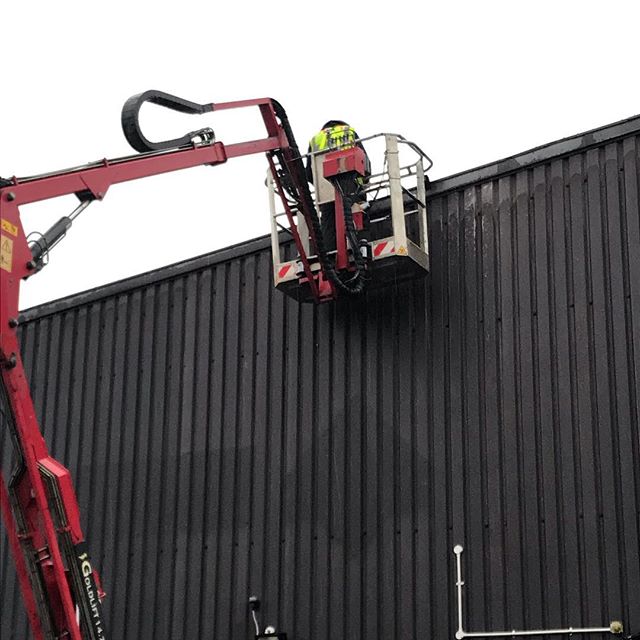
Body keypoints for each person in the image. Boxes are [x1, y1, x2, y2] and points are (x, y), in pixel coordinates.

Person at [305, 120, 371, 251]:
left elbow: (308, 173)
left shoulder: (315, 139)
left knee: (328, 223)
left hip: (325, 192)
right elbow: (365, 164)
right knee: (360, 210)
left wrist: (321, 186)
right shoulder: (349, 132)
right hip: (352, 187)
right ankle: (361, 244)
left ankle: (330, 253)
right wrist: (362, 184)